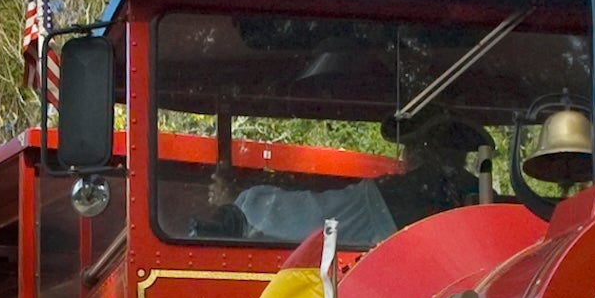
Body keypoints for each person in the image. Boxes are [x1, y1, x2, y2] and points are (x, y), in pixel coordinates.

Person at [206, 116, 485, 244]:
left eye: (410, 145)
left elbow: (316, 218)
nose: (405, 155)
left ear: (421, 150)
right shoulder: (484, 196)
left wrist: (239, 202)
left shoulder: (399, 193)